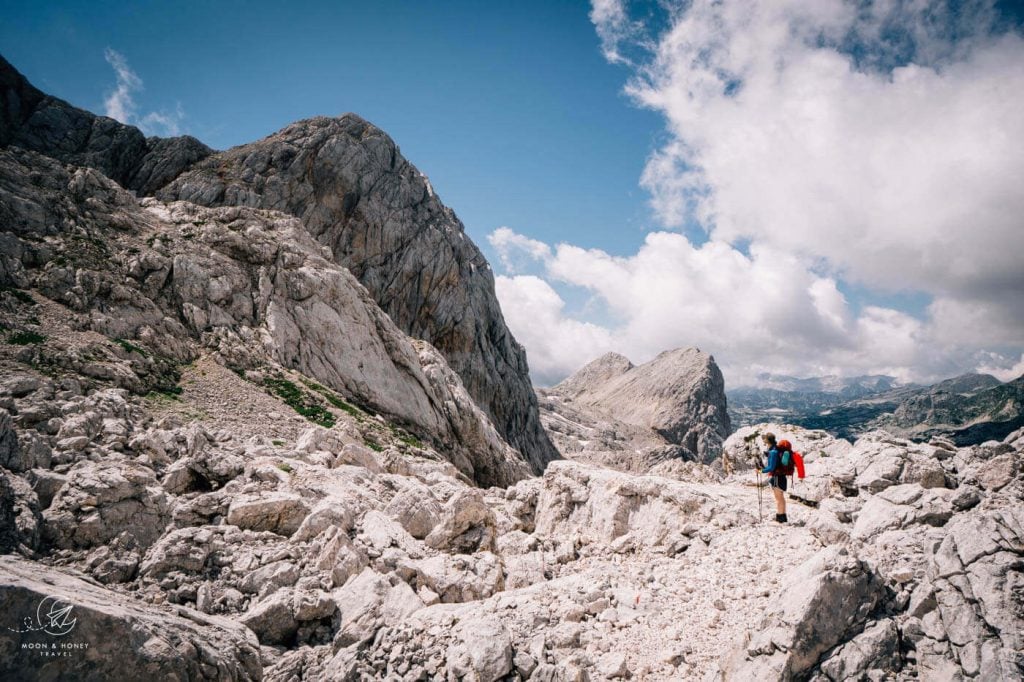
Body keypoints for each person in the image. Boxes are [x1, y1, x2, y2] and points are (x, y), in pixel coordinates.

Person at [760, 432, 788, 523]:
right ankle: (783, 516)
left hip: (777, 477)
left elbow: (771, 467)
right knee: (781, 497)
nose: (763, 440)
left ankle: (780, 518)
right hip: (782, 476)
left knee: (778, 498)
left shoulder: (773, 451)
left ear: (768, 440)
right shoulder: (777, 449)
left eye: (764, 439)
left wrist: (761, 471)